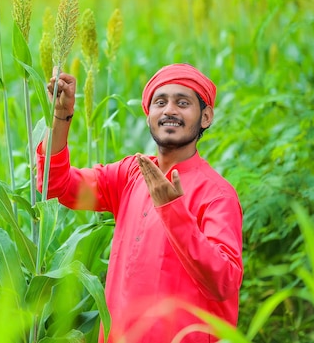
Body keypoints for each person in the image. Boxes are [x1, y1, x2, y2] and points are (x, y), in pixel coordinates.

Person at [36, 63, 243, 343]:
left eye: (183, 103)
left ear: (205, 117)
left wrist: (173, 210)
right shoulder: (131, 174)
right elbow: (56, 184)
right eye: (161, 102)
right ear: (149, 116)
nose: (170, 110)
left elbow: (224, 282)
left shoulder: (217, 195)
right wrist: (60, 117)